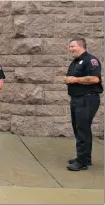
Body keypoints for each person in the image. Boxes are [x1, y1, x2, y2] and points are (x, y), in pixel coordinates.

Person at [65, 37, 103, 171]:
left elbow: (95, 78)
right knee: (80, 129)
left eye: (72, 46)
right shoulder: (76, 62)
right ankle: (84, 158)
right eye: (70, 47)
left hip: (87, 99)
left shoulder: (90, 60)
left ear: (81, 46)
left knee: (82, 129)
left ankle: (81, 162)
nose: (70, 49)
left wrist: (74, 79)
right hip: (77, 99)